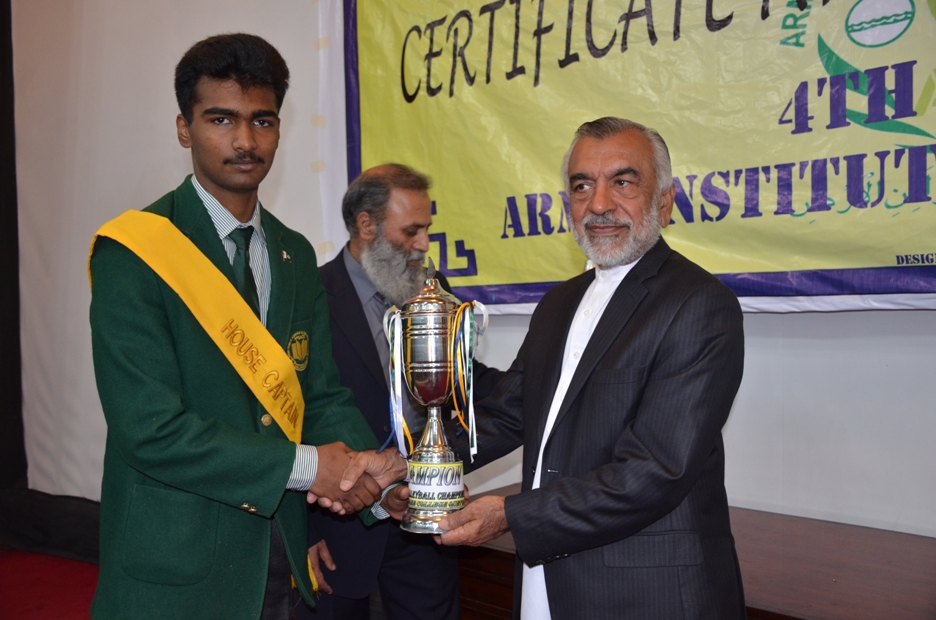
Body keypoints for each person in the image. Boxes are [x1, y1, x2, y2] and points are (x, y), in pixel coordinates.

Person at [88, 34, 405, 620]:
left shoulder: (294, 252)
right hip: (176, 568)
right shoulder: (134, 252)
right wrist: (310, 467)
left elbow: (320, 394)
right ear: (184, 129)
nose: (244, 141)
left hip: (280, 555)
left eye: (262, 121)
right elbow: (150, 430)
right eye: (220, 119)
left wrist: (378, 483)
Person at [437, 117, 747, 619]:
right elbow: (509, 413)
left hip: (645, 596)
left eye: (623, 182)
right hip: (547, 580)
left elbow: (657, 469)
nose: (599, 204)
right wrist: (413, 468)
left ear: (664, 202)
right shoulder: (559, 303)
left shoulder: (699, 303)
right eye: (582, 185)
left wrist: (510, 514)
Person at [300, 164, 503, 620]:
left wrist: (540, 385)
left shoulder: (431, 290)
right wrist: (302, 533)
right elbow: (288, 413)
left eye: (427, 229)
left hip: (424, 518)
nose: (424, 244)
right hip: (337, 525)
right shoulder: (310, 295)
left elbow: (463, 380)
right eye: (412, 231)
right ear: (366, 225)